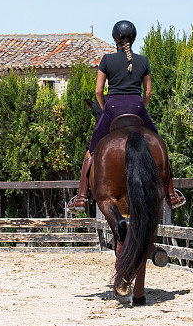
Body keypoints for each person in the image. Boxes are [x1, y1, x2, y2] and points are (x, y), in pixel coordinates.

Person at [67, 19, 186, 212]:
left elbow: (98, 91)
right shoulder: (143, 61)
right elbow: (148, 93)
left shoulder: (106, 60)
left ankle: (81, 197)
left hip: (113, 107)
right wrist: (140, 106)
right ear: (134, 39)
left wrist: (106, 108)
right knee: (160, 146)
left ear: (115, 39)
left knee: (92, 149)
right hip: (137, 107)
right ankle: (171, 194)